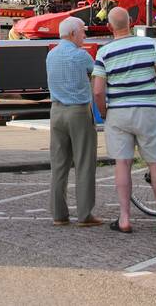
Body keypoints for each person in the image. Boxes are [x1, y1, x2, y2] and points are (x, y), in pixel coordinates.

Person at [93, 7, 156, 234]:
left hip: (118, 112)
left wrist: (104, 112)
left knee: (123, 163)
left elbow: (98, 91)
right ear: (130, 22)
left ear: (109, 27)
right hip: (147, 110)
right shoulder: (150, 45)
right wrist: (154, 91)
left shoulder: (104, 53)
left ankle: (124, 218)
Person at [45, 16, 102, 228]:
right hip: (78, 112)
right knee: (84, 163)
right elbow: (97, 74)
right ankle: (85, 214)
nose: (84, 35)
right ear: (72, 34)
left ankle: (58, 214)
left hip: (56, 112)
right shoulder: (81, 56)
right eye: (82, 32)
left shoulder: (51, 55)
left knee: (59, 164)